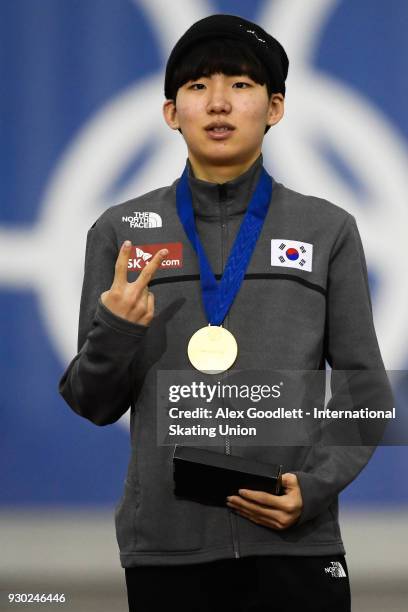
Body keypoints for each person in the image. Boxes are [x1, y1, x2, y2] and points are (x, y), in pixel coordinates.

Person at [58, 13, 388, 612]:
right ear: (170, 112)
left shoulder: (328, 229)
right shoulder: (122, 232)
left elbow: (369, 390)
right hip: (166, 549)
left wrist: (310, 490)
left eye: (239, 84)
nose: (217, 103)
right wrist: (116, 331)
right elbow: (92, 402)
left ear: (275, 107)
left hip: (297, 544)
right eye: (196, 86)